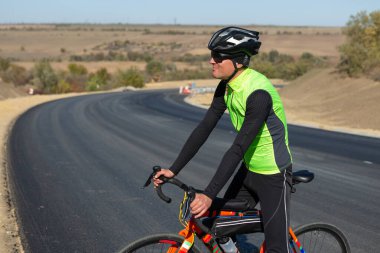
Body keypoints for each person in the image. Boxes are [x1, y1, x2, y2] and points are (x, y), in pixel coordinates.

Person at [154, 26, 292, 253]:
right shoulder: (226, 87)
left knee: (276, 247)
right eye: (212, 55)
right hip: (249, 170)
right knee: (216, 226)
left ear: (238, 61)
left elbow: (238, 147)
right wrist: (173, 170)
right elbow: (204, 127)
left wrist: (208, 195)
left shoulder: (258, 94)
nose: (211, 61)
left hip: (273, 174)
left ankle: (275, 224)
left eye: (218, 56)